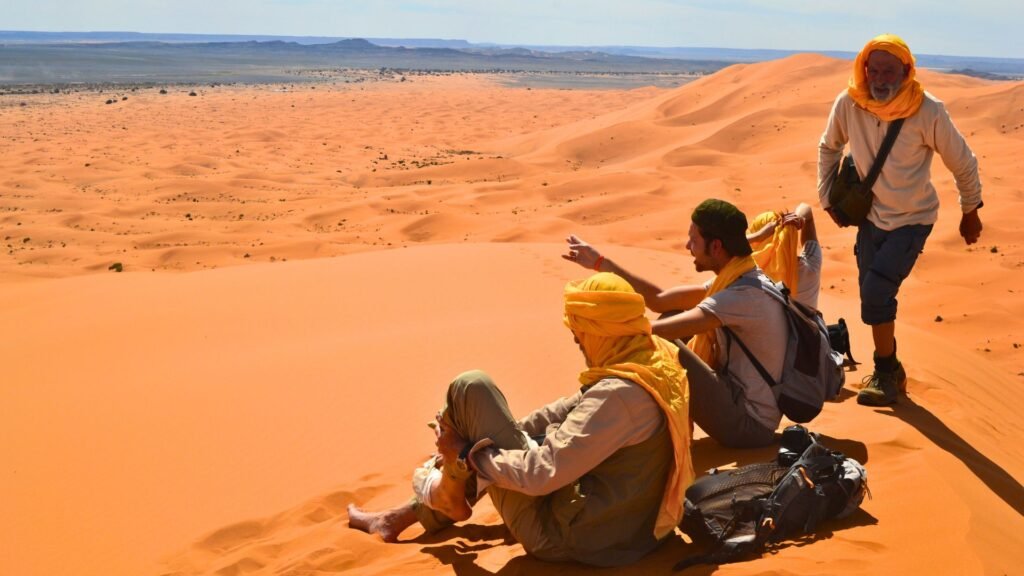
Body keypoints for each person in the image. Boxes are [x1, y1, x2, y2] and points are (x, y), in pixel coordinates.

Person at [348, 272, 694, 567]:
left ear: (600, 330)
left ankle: (435, 498)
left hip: (580, 541)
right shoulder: (652, 363)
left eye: (580, 330)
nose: (575, 339)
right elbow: (569, 408)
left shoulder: (619, 395)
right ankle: (418, 507)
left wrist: (468, 453)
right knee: (495, 440)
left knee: (470, 387)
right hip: (633, 529)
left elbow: (540, 474)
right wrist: (497, 433)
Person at [817, 34, 983, 406]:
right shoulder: (849, 103)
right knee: (870, 301)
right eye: (872, 69)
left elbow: (962, 161)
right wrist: (827, 197)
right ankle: (892, 369)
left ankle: (885, 370)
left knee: (877, 293)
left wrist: (970, 210)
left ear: (906, 71)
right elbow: (829, 146)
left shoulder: (928, 111)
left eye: (888, 70)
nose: (879, 78)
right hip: (870, 220)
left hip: (912, 220)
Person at [563, 199, 789, 448]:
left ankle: (610, 419)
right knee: (668, 317)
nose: (687, 246)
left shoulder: (741, 296)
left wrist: (602, 330)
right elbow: (660, 301)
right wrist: (600, 262)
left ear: (715, 247)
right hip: (737, 402)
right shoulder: (740, 278)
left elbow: (660, 332)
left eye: (693, 240)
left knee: (654, 341)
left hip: (747, 424)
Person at [745, 202, 822, 311]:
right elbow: (806, 209)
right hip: (808, 328)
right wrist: (798, 218)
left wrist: (757, 236)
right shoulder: (811, 265)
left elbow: (725, 247)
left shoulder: (751, 276)